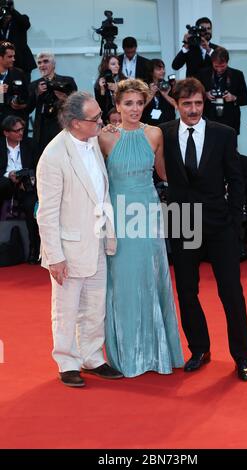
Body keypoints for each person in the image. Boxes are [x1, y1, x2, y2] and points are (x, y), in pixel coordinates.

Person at [160, 77, 247, 381]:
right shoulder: (163, 133)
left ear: (204, 103)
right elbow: (132, 135)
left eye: (198, 103)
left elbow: (236, 178)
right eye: (186, 104)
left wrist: (233, 216)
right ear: (176, 103)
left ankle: (241, 357)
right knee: (187, 290)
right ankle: (199, 349)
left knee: (231, 291)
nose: (193, 109)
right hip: (183, 219)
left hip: (219, 222)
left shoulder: (223, 134)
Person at [36, 91, 123, 387]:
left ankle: (92, 356)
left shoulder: (92, 142)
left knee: (95, 303)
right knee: (66, 307)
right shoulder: (53, 155)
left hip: (97, 238)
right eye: (95, 118)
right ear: (75, 123)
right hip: (68, 247)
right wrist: (55, 257)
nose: (101, 120)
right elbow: (46, 213)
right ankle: (66, 360)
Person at [99, 78, 184, 377]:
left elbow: (162, 173)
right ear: (118, 106)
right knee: (122, 281)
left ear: (145, 103)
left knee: (151, 277)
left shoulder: (155, 133)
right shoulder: (104, 138)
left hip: (147, 212)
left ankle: (156, 353)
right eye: (128, 103)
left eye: (139, 103)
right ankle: (126, 352)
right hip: (119, 215)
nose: (134, 109)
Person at [0, 115, 39, 263]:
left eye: (22, 129)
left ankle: (34, 250)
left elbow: (38, 167)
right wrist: (8, 176)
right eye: (16, 131)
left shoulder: (30, 145)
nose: (21, 133)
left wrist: (24, 177)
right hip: (4, 183)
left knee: (32, 206)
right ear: (6, 133)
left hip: (25, 184)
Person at [28, 51, 77, 161]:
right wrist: (37, 93)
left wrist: (64, 98)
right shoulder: (34, 85)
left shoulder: (67, 81)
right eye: (39, 63)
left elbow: (75, 104)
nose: (42, 65)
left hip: (61, 125)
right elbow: (28, 108)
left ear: (53, 64)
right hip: (42, 128)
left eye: (45, 61)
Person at [200, 47, 247, 138]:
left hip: (230, 121)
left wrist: (233, 98)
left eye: (222, 66)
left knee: (230, 150)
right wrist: (205, 95)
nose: (219, 69)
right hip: (208, 120)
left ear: (227, 62)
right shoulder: (203, 74)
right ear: (212, 62)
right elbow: (195, 96)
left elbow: (245, 100)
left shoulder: (237, 75)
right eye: (216, 66)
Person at [172, 17, 218, 81]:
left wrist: (208, 49)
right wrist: (185, 47)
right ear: (198, 30)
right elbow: (175, 66)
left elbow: (221, 64)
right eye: (203, 29)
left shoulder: (217, 49)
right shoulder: (190, 48)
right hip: (192, 88)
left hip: (211, 88)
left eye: (209, 28)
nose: (207, 31)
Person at [0, 1, 36, 82]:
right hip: (5, 64)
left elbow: (26, 23)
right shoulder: (2, 25)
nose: (6, 16)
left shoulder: (20, 20)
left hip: (21, 62)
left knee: (23, 89)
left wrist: (11, 10)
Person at [0, 40, 28, 127]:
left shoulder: (19, 73)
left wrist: (21, 105)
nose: (13, 59)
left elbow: (27, 98)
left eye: (13, 56)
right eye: (9, 56)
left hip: (13, 124)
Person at [141, 58, 176, 126]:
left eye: (163, 69)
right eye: (159, 69)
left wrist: (165, 95)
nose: (163, 71)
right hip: (147, 124)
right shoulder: (143, 86)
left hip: (167, 124)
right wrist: (151, 95)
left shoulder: (168, 85)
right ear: (151, 72)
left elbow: (177, 105)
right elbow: (138, 107)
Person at [94, 55, 125, 124]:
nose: (117, 66)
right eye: (113, 64)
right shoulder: (100, 82)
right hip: (108, 119)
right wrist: (102, 90)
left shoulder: (124, 81)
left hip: (123, 116)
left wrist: (117, 90)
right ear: (106, 66)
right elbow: (100, 107)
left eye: (118, 64)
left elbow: (127, 100)